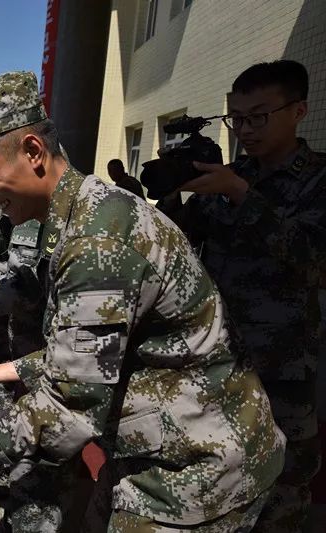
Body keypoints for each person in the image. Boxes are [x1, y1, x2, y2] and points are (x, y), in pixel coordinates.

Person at [0, 71, 285, 531]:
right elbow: (79, 344)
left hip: (195, 471)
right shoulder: (76, 217)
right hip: (161, 448)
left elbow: (69, 408)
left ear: (33, 152)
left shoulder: (98, 239)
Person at [166, 60, 325, 531]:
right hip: (216, 359)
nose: (245, 130)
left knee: (283, 493)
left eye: (258, 116)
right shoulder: (228, 175)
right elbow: (182, 241)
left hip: (282, 367)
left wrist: (240, 193)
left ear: (298, 111)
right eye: (236, 117)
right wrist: (167, 198)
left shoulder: (317, 181)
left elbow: (313, 260)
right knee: (213, 481)